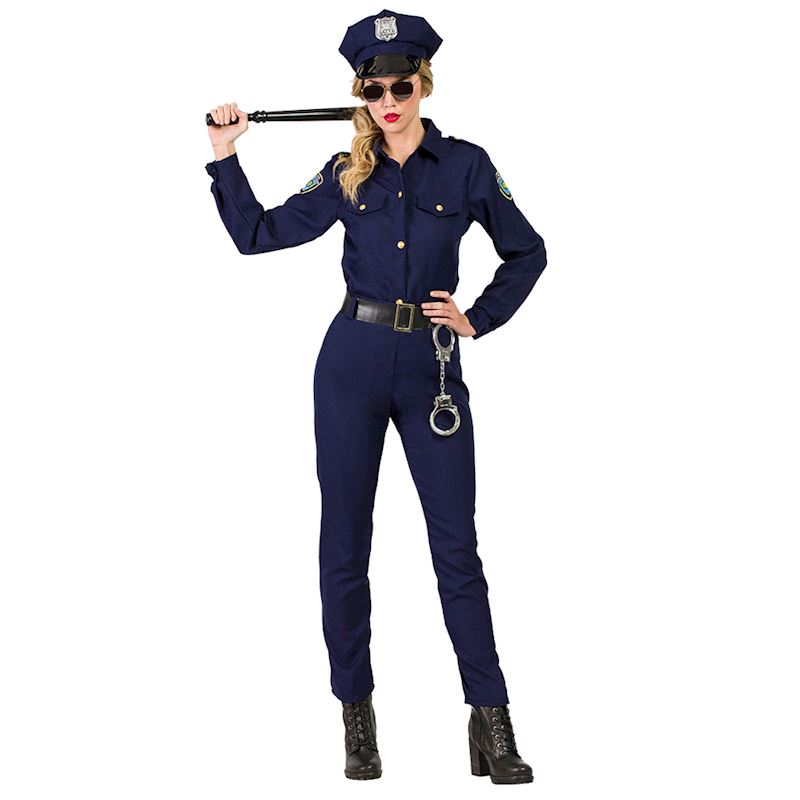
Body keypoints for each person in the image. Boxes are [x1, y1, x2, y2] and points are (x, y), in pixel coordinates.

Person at [204, 9, 546, 785]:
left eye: (402, 86)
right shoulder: (344, 171)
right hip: (350, 365)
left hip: (431, 368)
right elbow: (256, 235)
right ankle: (356, 719)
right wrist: (226, 156)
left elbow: (528, 251)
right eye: (373, 88)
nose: (388, 100)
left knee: (456, 547)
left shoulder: (466, 166)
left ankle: (492, 722)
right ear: (360, 93)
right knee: (345, 544)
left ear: (424, 85)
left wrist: (478, 318)